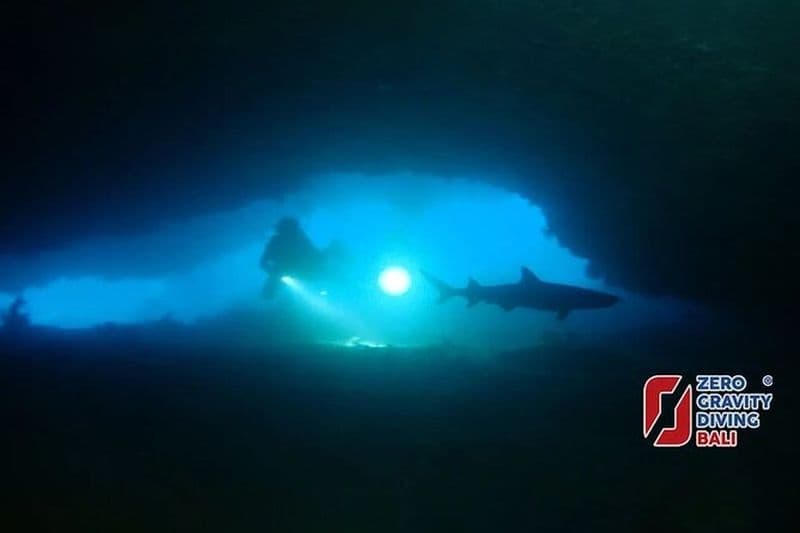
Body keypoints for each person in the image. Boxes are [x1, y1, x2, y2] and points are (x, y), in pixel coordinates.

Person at [260, 217, 327, 297]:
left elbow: (314, 253)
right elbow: (263, 262)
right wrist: (273, 273)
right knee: (267, 294)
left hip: (303, 268)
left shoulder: (300, 238)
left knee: (324, 275)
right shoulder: (276, 241)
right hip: (285, 269)